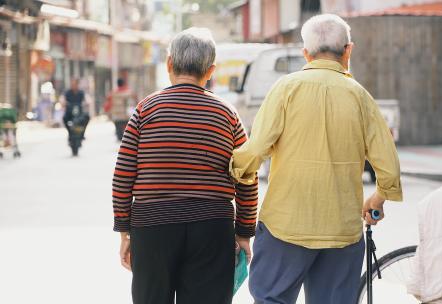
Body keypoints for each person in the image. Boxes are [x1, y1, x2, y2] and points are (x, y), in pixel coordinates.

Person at [230, 14, 403, 304]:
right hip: (342, 231)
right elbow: (389, 165)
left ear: (305, 53)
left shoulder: (286, 89)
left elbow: (256, 148)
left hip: (286, 225)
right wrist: (378, 199)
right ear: (348, 51)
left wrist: (233, 170)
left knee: (271, 298)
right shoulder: (360, 97)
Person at [111, 27, 258, 304]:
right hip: (212, 227)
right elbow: (247, 177)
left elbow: (122, 176)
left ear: (169, 64)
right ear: (211, 70)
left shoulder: (145, 110)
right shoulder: (228, 115)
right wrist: (243, 233)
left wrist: (124, 231)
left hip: (152, 227)